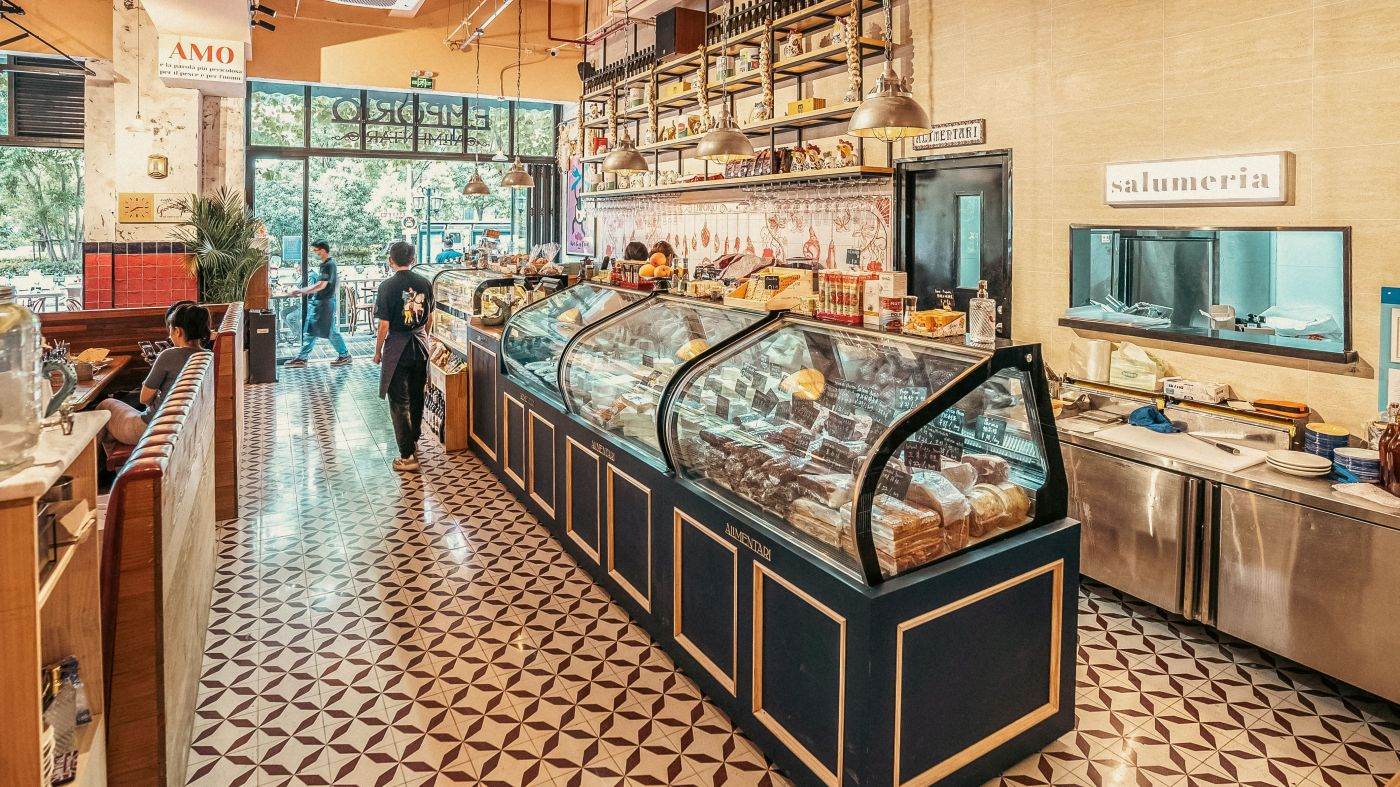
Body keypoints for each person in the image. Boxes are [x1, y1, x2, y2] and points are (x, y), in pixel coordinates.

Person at [98, 303, 211, 445]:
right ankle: (120, 456)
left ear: (178, 331)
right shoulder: (208, 356)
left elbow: (144, 398)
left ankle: (98, 459)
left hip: (151, 428)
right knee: (110, 431)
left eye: (170, 329)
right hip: (183, 424)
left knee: (104, 406)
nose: (169, 335)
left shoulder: (168, 355)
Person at [374, 241, 435, 473]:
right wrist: (423, 336)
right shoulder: (425, 283)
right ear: (413, 259)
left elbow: (384, 325)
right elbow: (430, 317)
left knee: (399, 402)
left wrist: (377, 351)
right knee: (417, 395)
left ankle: (407, 455)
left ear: (391, 260)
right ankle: (414, 439)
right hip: (420, 346)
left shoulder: (386, 286)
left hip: (397, 349)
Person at [284, 240, 351, 368]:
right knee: (313, 331)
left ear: (323, 250)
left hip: (324, 304)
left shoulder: (328, 265)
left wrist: (302, 291)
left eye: (316, 250)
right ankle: (304, 357)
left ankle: (343, 355)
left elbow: (321, 285)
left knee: (325, 331)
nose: (315, 253)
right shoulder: (329, 264)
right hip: (323, 303)